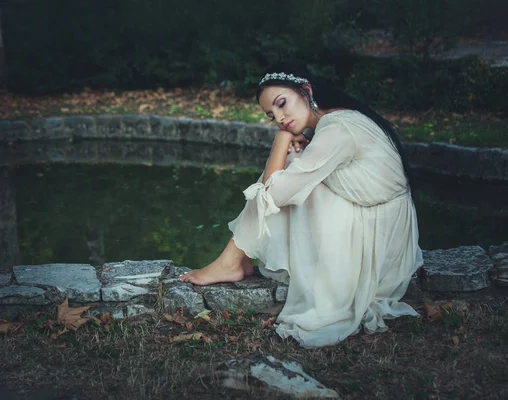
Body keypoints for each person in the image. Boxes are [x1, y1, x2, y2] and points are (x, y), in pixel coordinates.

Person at [179, 62, 423, 348]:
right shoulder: (335, 122)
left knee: (287, 169)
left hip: (381, 242)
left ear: (306, 91)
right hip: (378, 221)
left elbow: (274, 193)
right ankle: (235, 259)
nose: (280, 118)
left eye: (282, 104)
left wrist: (281, 141)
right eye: (272, 116)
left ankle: (232, 260)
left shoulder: (338, 128)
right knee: (295, 166)